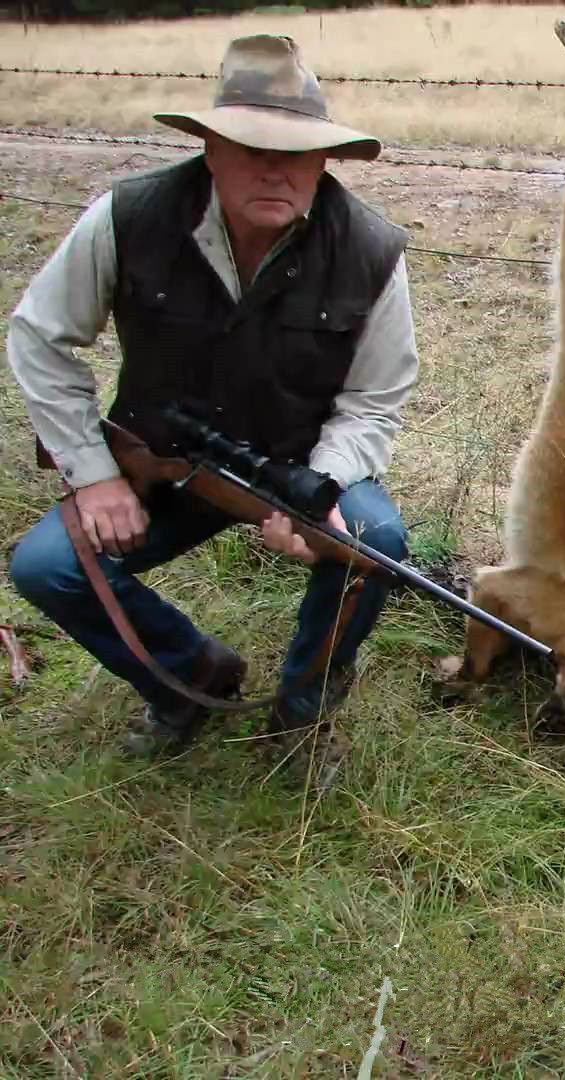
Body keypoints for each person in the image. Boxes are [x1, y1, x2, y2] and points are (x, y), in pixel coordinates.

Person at [6, 33, 418, 792]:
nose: (275, 168)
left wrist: (316, 496)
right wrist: (94, 474)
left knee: (374, 544)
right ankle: (186, 679)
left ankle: (300, 719)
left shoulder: (373, 250)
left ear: (325, 159)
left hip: (294, 469)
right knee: (47, 568)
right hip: (157, 461)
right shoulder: (127, 217)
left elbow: (374, 401)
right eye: (251, 145)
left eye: (297, 152)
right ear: (209, 150)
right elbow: (38, 336)